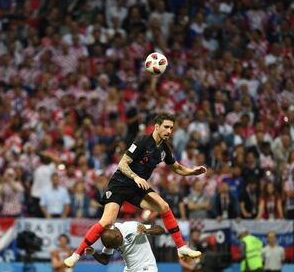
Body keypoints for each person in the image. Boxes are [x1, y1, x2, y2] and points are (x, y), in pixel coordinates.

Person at [65, 113, 206, 267]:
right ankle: (76, 255)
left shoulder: (164, 149)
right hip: (121, 184)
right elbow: (122, 164)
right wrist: (136, 177)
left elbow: (177, 167)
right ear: (157, 127)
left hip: (137, 187)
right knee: (107, 221)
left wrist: (192, 171)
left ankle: (181, 247)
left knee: (164, 206)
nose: (169, 131)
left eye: (171, 128)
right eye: (166, 127)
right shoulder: (142, 141)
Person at [84, 221, 165, 272]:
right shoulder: (111, 240)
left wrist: (147, 231)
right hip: (129, 269)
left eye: (118, 245)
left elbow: (161, 230)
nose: (118, 247)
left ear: (118, 235)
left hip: (147, 268)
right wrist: (94, 253)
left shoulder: (132, 228)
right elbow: (105, 260)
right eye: (115, 247)